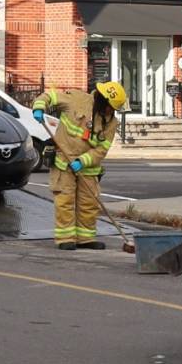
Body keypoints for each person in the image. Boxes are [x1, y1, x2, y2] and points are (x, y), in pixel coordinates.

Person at [33, 78, 124, 249]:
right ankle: (65, 238)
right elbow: (48, 96)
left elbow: (101, 150)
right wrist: (39, 107)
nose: (112, 111)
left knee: (89, 204)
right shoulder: (76, 99)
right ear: (102, 100)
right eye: (110, 107)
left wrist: (82, 161)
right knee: (65, 200)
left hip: (87, 167)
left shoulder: (111, 122)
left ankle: (86, 238)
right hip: (64, 162)